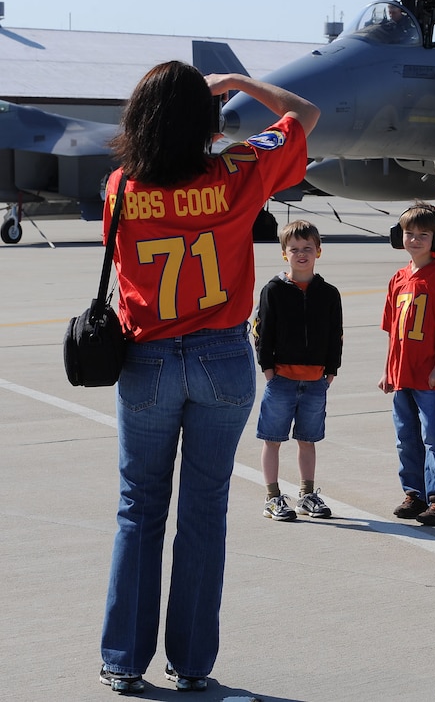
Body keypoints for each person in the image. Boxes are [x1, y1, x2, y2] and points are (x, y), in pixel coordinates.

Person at [99, 61, 318, 695]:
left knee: (139, 508)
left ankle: (123, 659)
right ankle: (192, 663)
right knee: (204, 510)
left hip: (147, 361)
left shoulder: (121, 186)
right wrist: (241, 85)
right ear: (206, 119)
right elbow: (305, 115)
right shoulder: (238, 171)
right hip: (221, 357)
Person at [378, 203, 435, 526]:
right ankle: (414, 493)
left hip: (430, 373)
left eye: (423, 235)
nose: (415, 240)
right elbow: (392, 332)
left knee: (434, 435)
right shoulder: (398, 279)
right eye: (409, 234)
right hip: (402, 374)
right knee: (405, 435)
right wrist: (388, 370)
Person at [253, 219, 343, 523]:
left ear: (319, 251)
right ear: (284, 254)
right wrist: (267, 368)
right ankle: (272, 496)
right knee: (272, 439)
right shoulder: (274, 290)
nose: (301, 254)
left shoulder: (329, 293)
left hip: (315, 380)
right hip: (281, 378)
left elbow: (336, 333)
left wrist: (331, 368)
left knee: (308, 439)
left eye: (308, 248)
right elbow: (262, 332)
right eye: (294, 249)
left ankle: (307, 494)